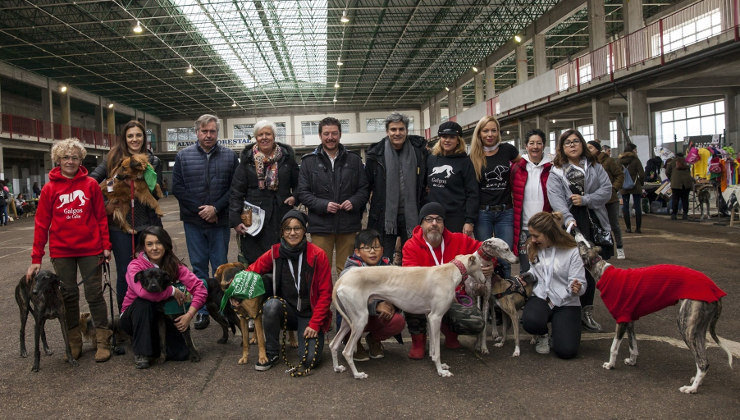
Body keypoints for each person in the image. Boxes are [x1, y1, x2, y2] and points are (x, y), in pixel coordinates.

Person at [26, 138, 113, 362]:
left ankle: (103, 340)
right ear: (58, 160)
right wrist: (36, 258)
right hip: (61, 251)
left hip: (90, 249)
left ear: (80, 160)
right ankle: (73, 342)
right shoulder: (49, 188)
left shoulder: (91, 185)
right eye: (65, 157)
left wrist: (105, 246)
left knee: (94, 295)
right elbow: (41, 224)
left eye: (74, 157)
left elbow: (101, 217)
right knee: (68, 296)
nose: (70, 161)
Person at [402, 202, 493, 359]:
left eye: (439, 220)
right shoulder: (411, 246)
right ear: (421, 224)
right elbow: (410, 279)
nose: (434, 224)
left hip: (454, 297)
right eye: (429, 219)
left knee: (476, 322)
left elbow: (484, 250)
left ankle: (450, 333)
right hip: (424, 296)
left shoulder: (459, 240)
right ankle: (419, 341)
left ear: (444, 223)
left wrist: (489, 264)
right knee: (408, 298)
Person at [172, 114, 239, 330]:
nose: (208, 135)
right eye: (204, 131)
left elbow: (234, 188)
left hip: (219, 221)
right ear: (197, 132)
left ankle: (222, 308)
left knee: (220, 268)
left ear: (217, 133)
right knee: (198, 266)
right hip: (194, 222)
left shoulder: (230, 156)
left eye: (212, 131)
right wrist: (200, 210)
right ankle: (201, 311)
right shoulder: (183, 156)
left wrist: (216, 208)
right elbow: (178, 188)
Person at [90, 120, 163, 311]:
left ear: (144, 138)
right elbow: (91, 182)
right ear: (124, 138)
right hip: (119, 227)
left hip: (147, 225)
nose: (134, 139)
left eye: (138, 135)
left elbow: (156, 193)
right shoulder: (111, 159)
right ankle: (126, 316)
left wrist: (147, 176)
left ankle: (150, 313)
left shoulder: (153, 161)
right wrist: (106, 204)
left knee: (151, 271)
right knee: (125, 272)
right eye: (130, 136)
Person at [247, 210, 333, 372]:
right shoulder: (275, 252)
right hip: (286, 311)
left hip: (309, 315)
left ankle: (308, 334)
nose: (292, 233)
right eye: (288, 229)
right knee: (271, 305)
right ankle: (272, 352)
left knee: (309, 361)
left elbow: (326, 294)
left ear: (304, 230)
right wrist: (236, 292)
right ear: (282, 232)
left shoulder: (317, 255)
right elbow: (251, 271)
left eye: (297, 228)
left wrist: (315, 324)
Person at [546, 129, 611, 332]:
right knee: (572, 267)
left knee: (592, 269)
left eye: (576, 141)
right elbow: (556, 199)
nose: (572, 145)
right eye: (567, 143)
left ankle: (587, 312)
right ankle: (568, 308)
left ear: (582, 144)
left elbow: (607, 190)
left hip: (594, 221)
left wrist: (586, 200)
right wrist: (569, 221)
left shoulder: (595, 166)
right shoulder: (556, 171)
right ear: (562, 148)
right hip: (571, 224)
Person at [119, 226, 207, 369]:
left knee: (181, 354)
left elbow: (200, 288)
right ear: (143, 247)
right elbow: (142, 292)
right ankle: (141, 352)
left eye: (158, 243)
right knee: (143, 302)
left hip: (161, 318)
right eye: (149, 244)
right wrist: (172, 291)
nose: (154, 248)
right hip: (133, 318)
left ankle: (152, 345)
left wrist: (189, 315)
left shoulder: (173, 265)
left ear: (165, 245)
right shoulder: (135, 266)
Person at [297, 117, 368, 276]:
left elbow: (364, 189)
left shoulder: (354, 160)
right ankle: (323, 301)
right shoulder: (308, 162)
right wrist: (323, 205)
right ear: (320, 135)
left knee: (348, 270)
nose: (330, 137)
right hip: (321, 225)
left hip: (348, 224)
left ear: (340, 134)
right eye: (326, 133)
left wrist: (354, 201)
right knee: (321, 270)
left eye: (334, 133)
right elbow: (303, 192)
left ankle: (344, 301)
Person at [230, 120, 299, 265]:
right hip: (255, 220)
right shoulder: (247, 161)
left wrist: (295, 197)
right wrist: (236, 220)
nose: (264, 137)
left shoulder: (287, 158)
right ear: (256, 137)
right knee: (257, 260)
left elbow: (299, 184)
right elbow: (236, 192)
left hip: (282, 214)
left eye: (268, 133)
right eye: (260, 134)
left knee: (283, 258)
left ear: (274, 136)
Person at [521, 212, 586, 359]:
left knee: (566, 352)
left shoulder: (572, 251)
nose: (533, 239)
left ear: (549, 233)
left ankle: (559, 331)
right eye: (531, 235)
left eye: (536, 236)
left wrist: (578, 288)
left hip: (566, 301)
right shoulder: (534, 247)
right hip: (542, 297)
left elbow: (580, 283)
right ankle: (542, 334)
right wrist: (527, 277)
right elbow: (534, 271)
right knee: (530, 321)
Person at [366, 112, 428, 260]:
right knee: (383, 259)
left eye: (401, 129)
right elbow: (366, 185)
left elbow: (425, 181)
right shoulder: (375, 155)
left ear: (406, 130)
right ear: (387, 131)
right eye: (393, 129)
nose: (397, 133)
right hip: (385, 218)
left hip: (413, 216)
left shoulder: (420, 152)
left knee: (412, 258)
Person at [339, 229, 406, 361]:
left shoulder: (387, 267)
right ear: (357, 251)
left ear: (382, 249)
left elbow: (398, 291)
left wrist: (392, 305)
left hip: (375, 318)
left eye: (376, 247)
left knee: (397, 321)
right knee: (349, 323)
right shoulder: (350, 272)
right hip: (354, 317)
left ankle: (374, 339)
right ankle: (354, 343)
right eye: (367, 248)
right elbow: (346, 301)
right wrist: (375, 306)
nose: (372, 251)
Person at [470, 115, 520, 278]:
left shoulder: (508, 150)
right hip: (483, 213)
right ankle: (486, 294)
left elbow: (523, 168)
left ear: (498, 132)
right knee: (484, 258)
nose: (490, 134)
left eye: (493, 130)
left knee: (505, 257)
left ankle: (504, 293)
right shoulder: (473, 156)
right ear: (479, 133)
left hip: (505, 212)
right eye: (486, 131)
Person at [425, 121, 478, 235]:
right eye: (444, 136)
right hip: (434, 217)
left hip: (456, 217)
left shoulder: (465, 162)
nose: (447, 140)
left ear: (458, 140)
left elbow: (472, 192)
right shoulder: (431, 159)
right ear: (440, 138)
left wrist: (469, 220)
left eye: (452, 137)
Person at [511, 129, 552, 272]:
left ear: (543, 146)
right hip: (524, 228)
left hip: (545, 227)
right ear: (526, 146)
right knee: (526, 268)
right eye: (532, 143)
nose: (535, 146)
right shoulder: (517, 168)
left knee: (546, 266)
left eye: (539, 143)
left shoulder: (551, 168)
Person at [587, 140, 625, 259]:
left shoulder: (609, 161)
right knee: (599, 225)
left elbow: (620, 175)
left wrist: (613, 188)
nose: (588, 150)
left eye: (591, 148)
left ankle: (619, 247)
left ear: (598, 149)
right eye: (587, 148)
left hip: (610, 200)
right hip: (595, 200)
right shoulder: (587, 163)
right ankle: (604, 249)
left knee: (614, 225)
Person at [619, 143, 645, 233]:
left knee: (625, 206)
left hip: (624, 186)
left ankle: (628, 228)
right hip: (635, 185)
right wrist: (641, 183)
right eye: (635, 149)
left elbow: (617, 174)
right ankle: (638, 228)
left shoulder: (620, 160)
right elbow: (642, 174)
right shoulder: (636, 160)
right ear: (633, 150)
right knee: (637, 206)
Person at [665, 152, 693, 220]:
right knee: (685, 199)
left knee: (675, 199)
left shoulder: (672, 162)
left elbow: (667, 172)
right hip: (686, 183)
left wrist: (671, 178)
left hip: (676, 183)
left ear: (675, 156)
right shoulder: (687, 162)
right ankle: (685, 214)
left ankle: (674, 214)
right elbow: (689, 172)